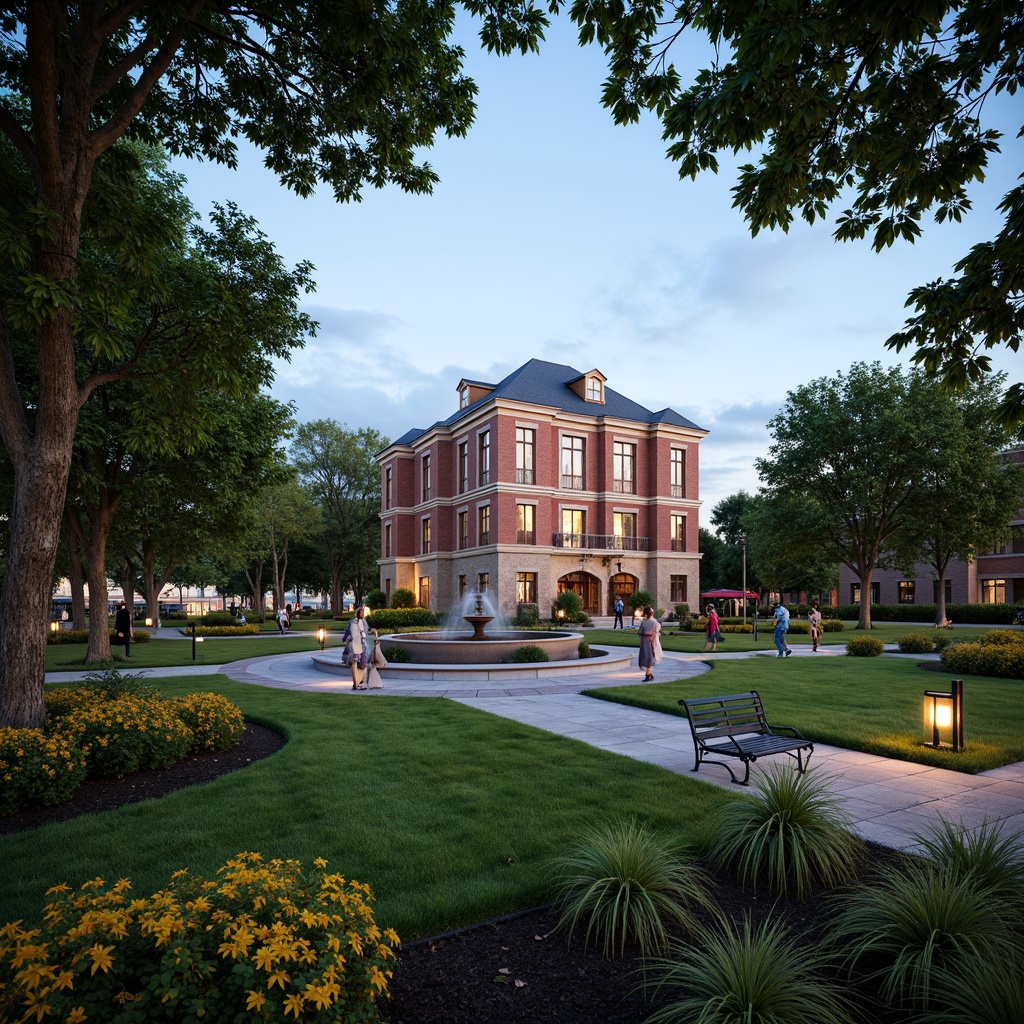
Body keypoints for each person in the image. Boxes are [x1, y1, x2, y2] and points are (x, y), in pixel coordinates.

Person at [343, 606, 370, 689]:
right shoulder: (354, 623)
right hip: (356, 644)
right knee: (355, 661)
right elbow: (352, 634)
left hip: (362, 643)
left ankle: (363, 681)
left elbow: (365, 631)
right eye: (361, 612)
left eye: (363, 612)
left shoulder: (364, 622)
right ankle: (355, 683)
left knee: (364, 662)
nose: (362, 613)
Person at [637, 606, 661, 682]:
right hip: (651, 640)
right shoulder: (653, 622)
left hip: (648, 640)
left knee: (649, 656)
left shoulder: (646, 622)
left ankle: (648, 674)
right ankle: (649, 674)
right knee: (650, 656)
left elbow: (641, 633)